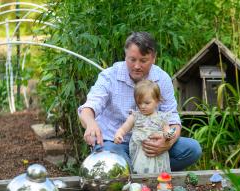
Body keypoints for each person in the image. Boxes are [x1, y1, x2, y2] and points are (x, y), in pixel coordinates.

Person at [78, 31, 201, 171]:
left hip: (150, 143)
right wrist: (91, 123)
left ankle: (141, 172)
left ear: (153, 58)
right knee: (109, 164)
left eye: (143, 60)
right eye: (132, 59)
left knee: (192, 149)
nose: (136, 66)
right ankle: (135, 173)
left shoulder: (162, 78)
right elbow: (89, 107)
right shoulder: (109, 76)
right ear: (126, 56)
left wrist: (168, 142)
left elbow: (173, 119)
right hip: (114, 142)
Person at [114, 80, 175, 174]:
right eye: (139, 103)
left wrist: (168, 135)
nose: (142, 106)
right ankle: (141, 183)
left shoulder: (161, 117)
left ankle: (158, 184)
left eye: (147, 103)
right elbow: (124, 128)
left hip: (157, 151)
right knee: (139, 168)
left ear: (157, 101)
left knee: (158, 170)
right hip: (140, 151)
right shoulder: (135, 116)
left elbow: (167, 130)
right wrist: (119, 134)